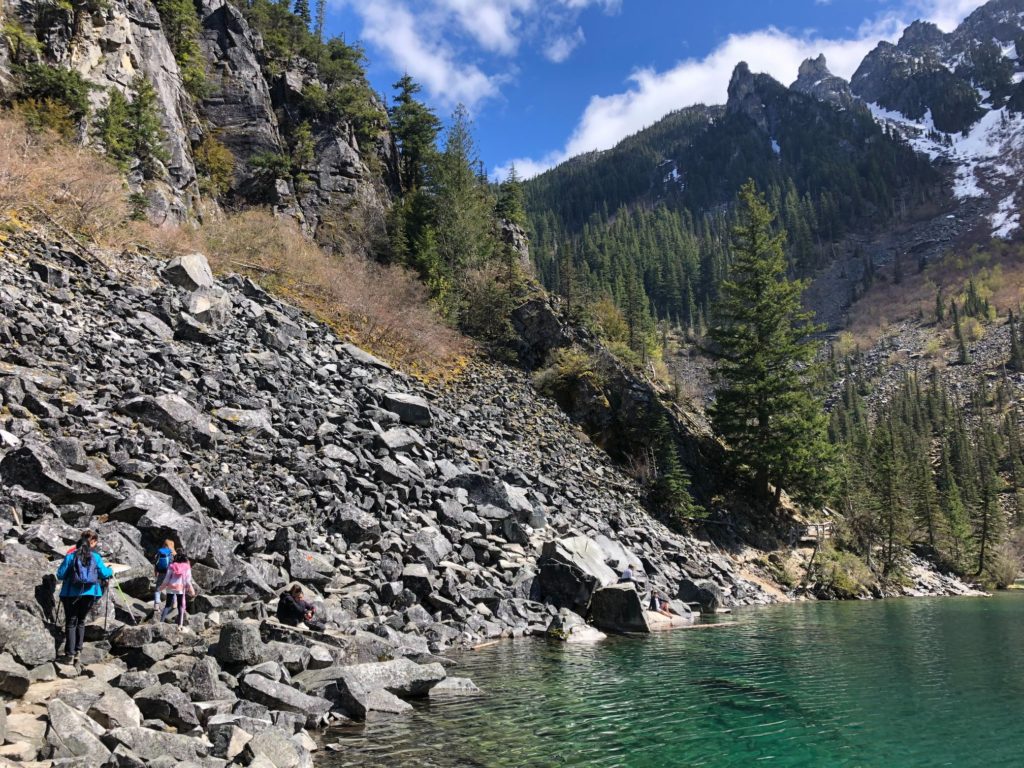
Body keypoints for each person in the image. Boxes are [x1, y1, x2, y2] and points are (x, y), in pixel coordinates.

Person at [56, 531, 113, 663]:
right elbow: (104, 574)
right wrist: (111, 570)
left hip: (70, 594)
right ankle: (78, 652)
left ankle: (69, 654)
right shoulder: (96, 557)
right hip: (90, 593)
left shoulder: (70, 557)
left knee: (71, 623)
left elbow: (60, 575)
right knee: (81, 622)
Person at [158, 552, 196, 626]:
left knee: (167, 605)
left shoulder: (171, 566)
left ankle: (161, 623)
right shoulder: (187, 567)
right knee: (180, 606)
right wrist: (191, 589)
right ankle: (179, 624)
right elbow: (188, 580)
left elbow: (167, 578)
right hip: (180, 588)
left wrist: (162, 587)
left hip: (170, 586)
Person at [153, 539, 176, 615]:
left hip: (161, 573)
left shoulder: (160, 552)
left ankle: (156, 605)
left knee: (158, 588)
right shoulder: (173, 554)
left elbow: (156, 562)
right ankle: (174, 603)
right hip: (171, 573)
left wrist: (156, 572)